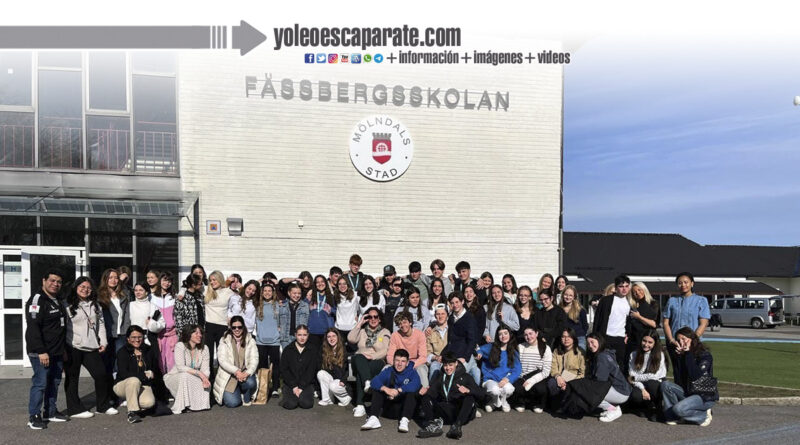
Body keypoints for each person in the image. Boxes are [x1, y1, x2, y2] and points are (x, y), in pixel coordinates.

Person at [64, 276, 116, 418]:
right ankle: (75, 409)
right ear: (76, 287)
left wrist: (103, 342)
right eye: (82, 286)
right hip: (73, 346)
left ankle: (103, 406)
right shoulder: (67, 305)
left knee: (101, 375)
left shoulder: (96, 305)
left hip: (91, 346)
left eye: (88, 287)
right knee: (72, 378)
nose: (85, 290)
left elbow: (101, 324)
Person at [25, 268, 68, 429]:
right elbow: (33, 327)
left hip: (56, 351)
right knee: (40, 383)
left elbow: (60, 327)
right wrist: (41, 351)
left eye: (59, 282)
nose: (55, 284)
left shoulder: (58, 299)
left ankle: (50, 411)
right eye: (52, 280)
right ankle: (34, 416)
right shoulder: (37, 300)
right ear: (44, 281)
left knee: (54, 382)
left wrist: (63, 350)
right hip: (41, 352)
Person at [416, 352, 485, 439]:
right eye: (445, 365)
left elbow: (481, 394)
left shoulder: (466, 377)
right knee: (426, 397)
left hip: (460, 412)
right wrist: (424, 391)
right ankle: (432, 426)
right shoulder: (441, 377)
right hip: (445, 411)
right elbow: (431, 394)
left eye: (450, 365)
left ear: (456, 363)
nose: (448, 368)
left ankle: (457, 427)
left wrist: (468, 390)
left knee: (469, 398)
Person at [660, 327, 717, 426]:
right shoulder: (682, 355)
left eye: (684, 339)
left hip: (703, 395)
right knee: (665, 384)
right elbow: (678, 379)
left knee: (678, 409)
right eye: (679, 340)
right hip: (688, 392)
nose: (681, 342)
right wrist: (680, 358)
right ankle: (673, 417)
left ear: (692, 339)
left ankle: (703, 415)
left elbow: (695, 376)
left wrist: (688, 354)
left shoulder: (705, 355)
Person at [663, 272, 711, 381]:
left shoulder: (701, 300)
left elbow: (703, 323)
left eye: (686, 282)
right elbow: (665, 322)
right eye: (680, 283)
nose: (683, 285)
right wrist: (671, 340)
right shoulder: (672, 301)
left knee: (691, 372)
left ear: (692, 283)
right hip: (675, 343)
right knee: (678, 372)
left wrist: (692, 339)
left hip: (693, 344)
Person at [360, 348, 422, 433]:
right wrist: (386, 389)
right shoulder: (389, 370)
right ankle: (374, 418)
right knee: (378, 388)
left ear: (407, 363)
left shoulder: (412, 372)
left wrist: (399, 390)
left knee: (412, 391)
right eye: (397, 360)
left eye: (403, 361)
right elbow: (374, 381)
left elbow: (416, 383)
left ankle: (404, 420)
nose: (399, 364)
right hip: (389, 408)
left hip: (404, 408)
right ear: (393, 361)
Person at [348, 307, 391, 417]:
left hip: (376, 360)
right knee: (359, 357)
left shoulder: (385, 332)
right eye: (370, 317)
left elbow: (386, 350)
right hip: (360, 359)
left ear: (379, 319)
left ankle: (360, 405)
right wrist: (360, 323)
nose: (373, 319)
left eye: (375, 317)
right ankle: (367, 382)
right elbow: (351, 339)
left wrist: (372, 356)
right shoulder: (362, 331)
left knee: (361, 374)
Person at [114, 326, 158, 423]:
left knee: (149, 402)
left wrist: (152, 373)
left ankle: (131, 399)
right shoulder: (122, 352)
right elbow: (124, 374)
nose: (137, 340)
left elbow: (155, 369)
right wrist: (144, 375)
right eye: (133, 337)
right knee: (134, 380)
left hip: (143, 384)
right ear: (128, 338)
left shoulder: (148, 350)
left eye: (139, 337)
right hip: (122, 385)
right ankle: (132, 413)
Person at [164, 324, 211, 414]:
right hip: (176, 376)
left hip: (194, 377)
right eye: (196, 333)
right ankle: (185, 405)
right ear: (189, 334)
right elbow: (180, 367)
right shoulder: (180, 346)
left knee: (206, 383)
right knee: (185, 376)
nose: (200, 335)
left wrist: (205, 378)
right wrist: (199, 373)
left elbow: (206, 369)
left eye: (200, 333)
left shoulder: (205, 348)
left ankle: (198, 405)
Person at [213, 316, 258, 407]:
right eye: (234, 327)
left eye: (239, 327)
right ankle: (238, 393)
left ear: (243, 327)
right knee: (232, 403)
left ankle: (245, 394)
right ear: (230, 328)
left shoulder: (250, 340)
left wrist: (247, 373)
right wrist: (236, 371)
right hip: (229, 375)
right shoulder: (224, 340)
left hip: (245, 374)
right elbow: (222, 360)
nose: (237, 329)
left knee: (251, 383)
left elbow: (254, 359)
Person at [586, 332, 631, 422]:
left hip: (620, 392)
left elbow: (600, 381)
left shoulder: (601, 357)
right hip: (622, 389)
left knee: (588, 393)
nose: (590, 345)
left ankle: (613, 410)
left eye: (592, 342)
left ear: (599, 341)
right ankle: (613, 408)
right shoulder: (606, 353)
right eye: (588, 343)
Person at [592, 274, 633, 371]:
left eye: (626, 286)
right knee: (603, 364)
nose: (624, 289)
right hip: (605, 337)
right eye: (621, 286)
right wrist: (595, 337)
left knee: (620, 365)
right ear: (616, 287)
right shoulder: (606, 300)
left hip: (620, 338)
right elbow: (597, 320)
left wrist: (628, 335)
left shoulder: (630, 302)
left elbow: (630, 322)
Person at [476, 324, 521, 413]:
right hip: (490, 379)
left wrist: (507, 379)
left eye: (505, 333)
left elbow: (517, 370)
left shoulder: (513, 351)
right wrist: (479, 352)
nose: (503, 336)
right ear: (497, 336)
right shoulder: (491, 347)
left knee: (509, 389)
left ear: (510, 334)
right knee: (495, 390)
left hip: (504, 379)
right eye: (500, 334)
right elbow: (479, 349)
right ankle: (495, 401)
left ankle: (503, 401)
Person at [628, 328, 668, 421]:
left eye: (650, 342)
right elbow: (631, 377)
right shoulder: (633, 354)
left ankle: (657, 407)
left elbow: (656, 376)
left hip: (656, 383)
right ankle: (644, 406)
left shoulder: (660, 354)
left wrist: (637, 378)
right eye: (644, 341)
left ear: (655, 343)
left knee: (651, 384)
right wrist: (642, 389)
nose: (646, 344)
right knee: (636, 396)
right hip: (640, 384)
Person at [442, 292, 480, 385]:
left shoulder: (469, 318)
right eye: (452, 303)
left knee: (458, 374)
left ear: (462, 302)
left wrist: (465, 358)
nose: (455, 305)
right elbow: (450, 339)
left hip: (464, 354)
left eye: (457, 302)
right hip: (453, 353)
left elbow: (472, 340)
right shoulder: (451, 318)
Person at [512, 327, 552, 413]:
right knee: (517, 387)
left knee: (541, 389)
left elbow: (546, 371)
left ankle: (537, 404)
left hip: (538, 376)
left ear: (536, 333)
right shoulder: (520, 347)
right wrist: (521, 378)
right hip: (523, 376)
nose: (528, 337)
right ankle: (520, 402)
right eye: (526, 335)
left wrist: (532, 380)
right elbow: (516, 366)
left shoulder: (545, 348)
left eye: (531, 334)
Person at [280, 325, 319, 410]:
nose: (302, 338)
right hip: (290, 383)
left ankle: (302, 396)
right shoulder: (288, 350)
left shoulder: (313, 349)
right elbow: (284, 370)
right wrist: (294, 386)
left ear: (308, 335)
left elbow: (311, 370)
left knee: (306, 404)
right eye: (299, 335)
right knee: (290, 404)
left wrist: (301, 387)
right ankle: (288, 395)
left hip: (306, 383)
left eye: (304, 335)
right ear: (295, 335)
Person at [387, 312, 429, 390]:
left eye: (404, 322)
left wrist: (410, 366)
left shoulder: (419, 334)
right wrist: (398, 365)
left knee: (421, 369)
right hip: (399, 362)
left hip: (415, 363)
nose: (402, 325)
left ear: (410, 322)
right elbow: (390, 356)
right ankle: (384, 391)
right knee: (386, 368)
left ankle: (425, 391)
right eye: (400, 324)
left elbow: (423, 357)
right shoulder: (395, 335)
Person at [204, 270, 235, 375]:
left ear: (220, 279)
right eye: (210, 280)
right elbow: (187, 286)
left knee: (221, 354)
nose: (212, 282)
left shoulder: (228, 292)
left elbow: (241, 300)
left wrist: (231, 316)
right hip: (208, 326)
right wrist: (181, 292)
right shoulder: (206, 290)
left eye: (214, 280)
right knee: (208, 354)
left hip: (222, 326)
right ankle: (209, 377)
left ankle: (222, 377)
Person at [254, 282, 281, 398]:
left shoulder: (278, 306)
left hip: (274, 341)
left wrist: (279, 332)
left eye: (269, 291)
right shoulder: (257, 305)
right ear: (261, 292)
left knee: (275, 365)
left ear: (273, 292)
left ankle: (275, 388)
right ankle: (263, 388)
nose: (267, 293)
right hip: (261, 341)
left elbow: (281, 322)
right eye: (265, 291)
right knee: (262, 365)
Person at [547, 328, 586, 404]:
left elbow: (582, 373)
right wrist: (558, 377)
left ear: (573, 338)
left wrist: (569, 383)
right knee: (551, 383)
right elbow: (553, 367)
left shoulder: (580, 352)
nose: (566, 339)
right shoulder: (556, 351)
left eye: (569, 336)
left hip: (574, 380)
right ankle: (556, 404)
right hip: (558, 377)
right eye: (564, 336)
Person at [626, 281, 661, 367]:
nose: (637, 293)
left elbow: (654, 324)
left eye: (639, 290)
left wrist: (639, 317)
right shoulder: (632, 306)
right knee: (633, 365)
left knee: (649, 364)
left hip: (647, 339)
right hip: (633, 340)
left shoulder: (653, 304)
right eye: (634, 292)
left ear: (644, 289)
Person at [317, 328, 352, 406]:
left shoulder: (345, 350)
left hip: (343, 381)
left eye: (334, 336)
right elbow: (321, 367)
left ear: (338, 337)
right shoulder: (323, 350)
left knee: (333, 385)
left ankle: (346, 398)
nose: (331, 339)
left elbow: (349, 369)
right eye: (329, 337)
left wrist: (344, 380)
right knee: (321, 373)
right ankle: (328, 399)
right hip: (333, 379)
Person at [151, 272, 178, 374]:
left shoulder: (174, 297)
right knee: (159, 361)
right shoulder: (152, 297)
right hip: (157, 334)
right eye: (164, 280)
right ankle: (160, 383)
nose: (167, 283)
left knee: (172, 362)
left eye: (169, 281)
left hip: (172, 335)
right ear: (160, 281)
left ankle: (171, 382)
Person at [278, 283, 310, 348]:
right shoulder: (282, 306)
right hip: (285, 338)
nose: (297, 295)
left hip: (300, 338)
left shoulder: (305, 306)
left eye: (299, 293)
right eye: (294, 293)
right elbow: (277, 322)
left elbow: (308, 322)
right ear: (289, 293)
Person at [307, 274, 335, 347]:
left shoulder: (331, 297)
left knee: (325, 352)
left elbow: (337, 312)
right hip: (312, 330)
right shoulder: (311, 296)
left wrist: (330, 309)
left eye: (322, 281)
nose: (320, 284)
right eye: (317, 282)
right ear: (315, 284)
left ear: (326, 283)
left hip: (326, 331)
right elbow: (301, 306)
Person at [560, 285, 588, 350]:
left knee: (580, 354)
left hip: (578, 338)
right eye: (566, 295)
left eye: (570, 295)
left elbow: (585, 326)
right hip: (564, 339)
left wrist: (580, 334)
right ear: (562, 295)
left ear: (574, 297)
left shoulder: (580, 310)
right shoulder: (559, 309)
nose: (568, 297)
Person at [334, 276, 359, 347]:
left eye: (344, 284)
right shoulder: (335, 295)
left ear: (348, 285)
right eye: (340, 284)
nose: (342, 286)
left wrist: (382, 291)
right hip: (339, 328)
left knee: (352, 350)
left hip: (352, 328)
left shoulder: (355, 294)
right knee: (341, 350)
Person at [426, 305, 449, 380]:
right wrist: (435, 357)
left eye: (443, 314)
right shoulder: (430, 332)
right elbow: (427, 352)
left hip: (450, 359)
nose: (440, 316)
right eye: (438, 314)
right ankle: (432, 387)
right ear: (435, 316)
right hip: (437, 360)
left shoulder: (453, 330)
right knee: (434, 367)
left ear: (447, 315)